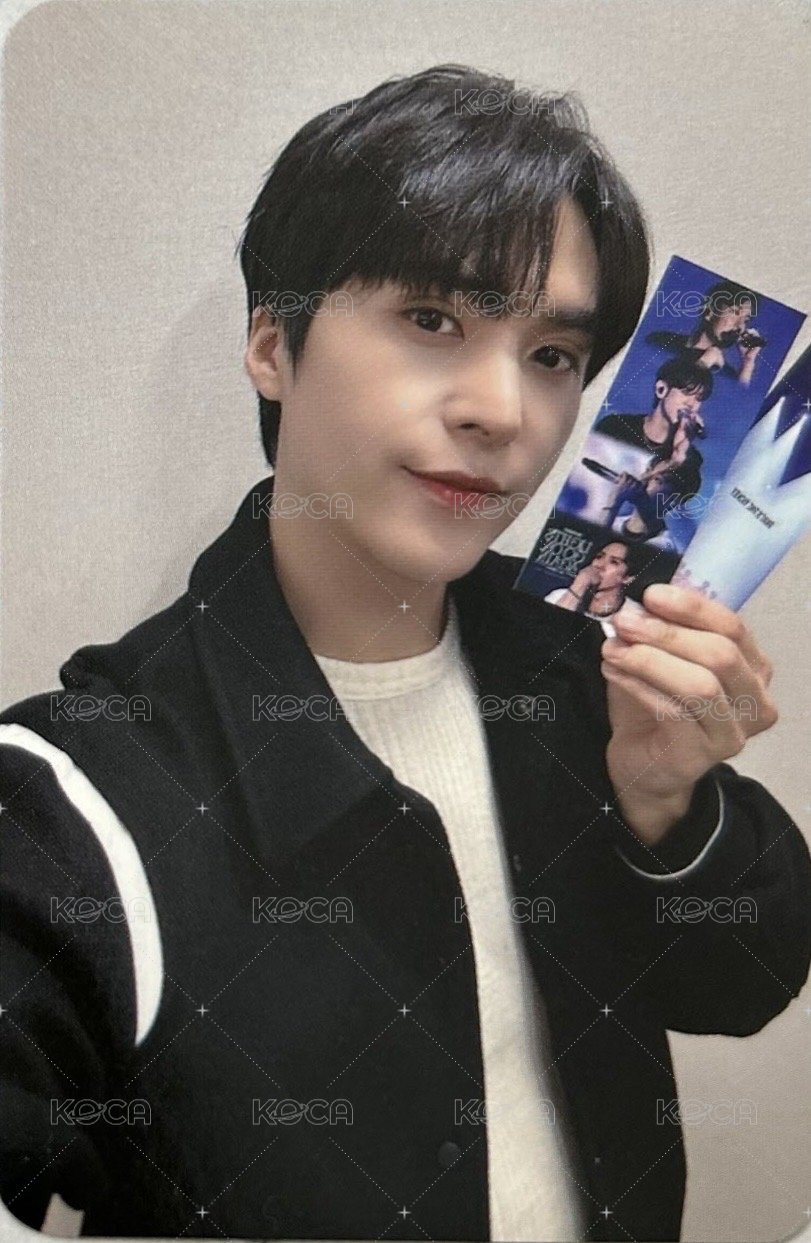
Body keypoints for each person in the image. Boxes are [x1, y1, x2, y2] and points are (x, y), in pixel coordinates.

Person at [1, 64, 809, 1243]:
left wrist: (666, 803)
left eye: (551, 355)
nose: (503, 412)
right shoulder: (77, 786)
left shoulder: (577, 668)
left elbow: (743, 983)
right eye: (432, 321)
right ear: (272, 343)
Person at [596, 356, 710, 540]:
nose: (691, 404)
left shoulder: (691, 460)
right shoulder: (614, 426)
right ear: (661, 389)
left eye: (699, 398)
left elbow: (660, 511)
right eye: (686, 392)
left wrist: (678, 454)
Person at [645, 279, 765, 386]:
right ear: (709, 312)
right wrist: (703, 364)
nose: (740, 326)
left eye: (746, 319)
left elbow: (739, 400)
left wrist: (748, 362)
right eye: (735, 312)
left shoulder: (727, 374)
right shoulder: (660, 343)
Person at [544, 538, 638, 628]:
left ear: (627, 578)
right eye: (599, 556)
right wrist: (579, 586)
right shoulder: (560, 596)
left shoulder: (634, 616)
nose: (599, 565)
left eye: (614, 562)